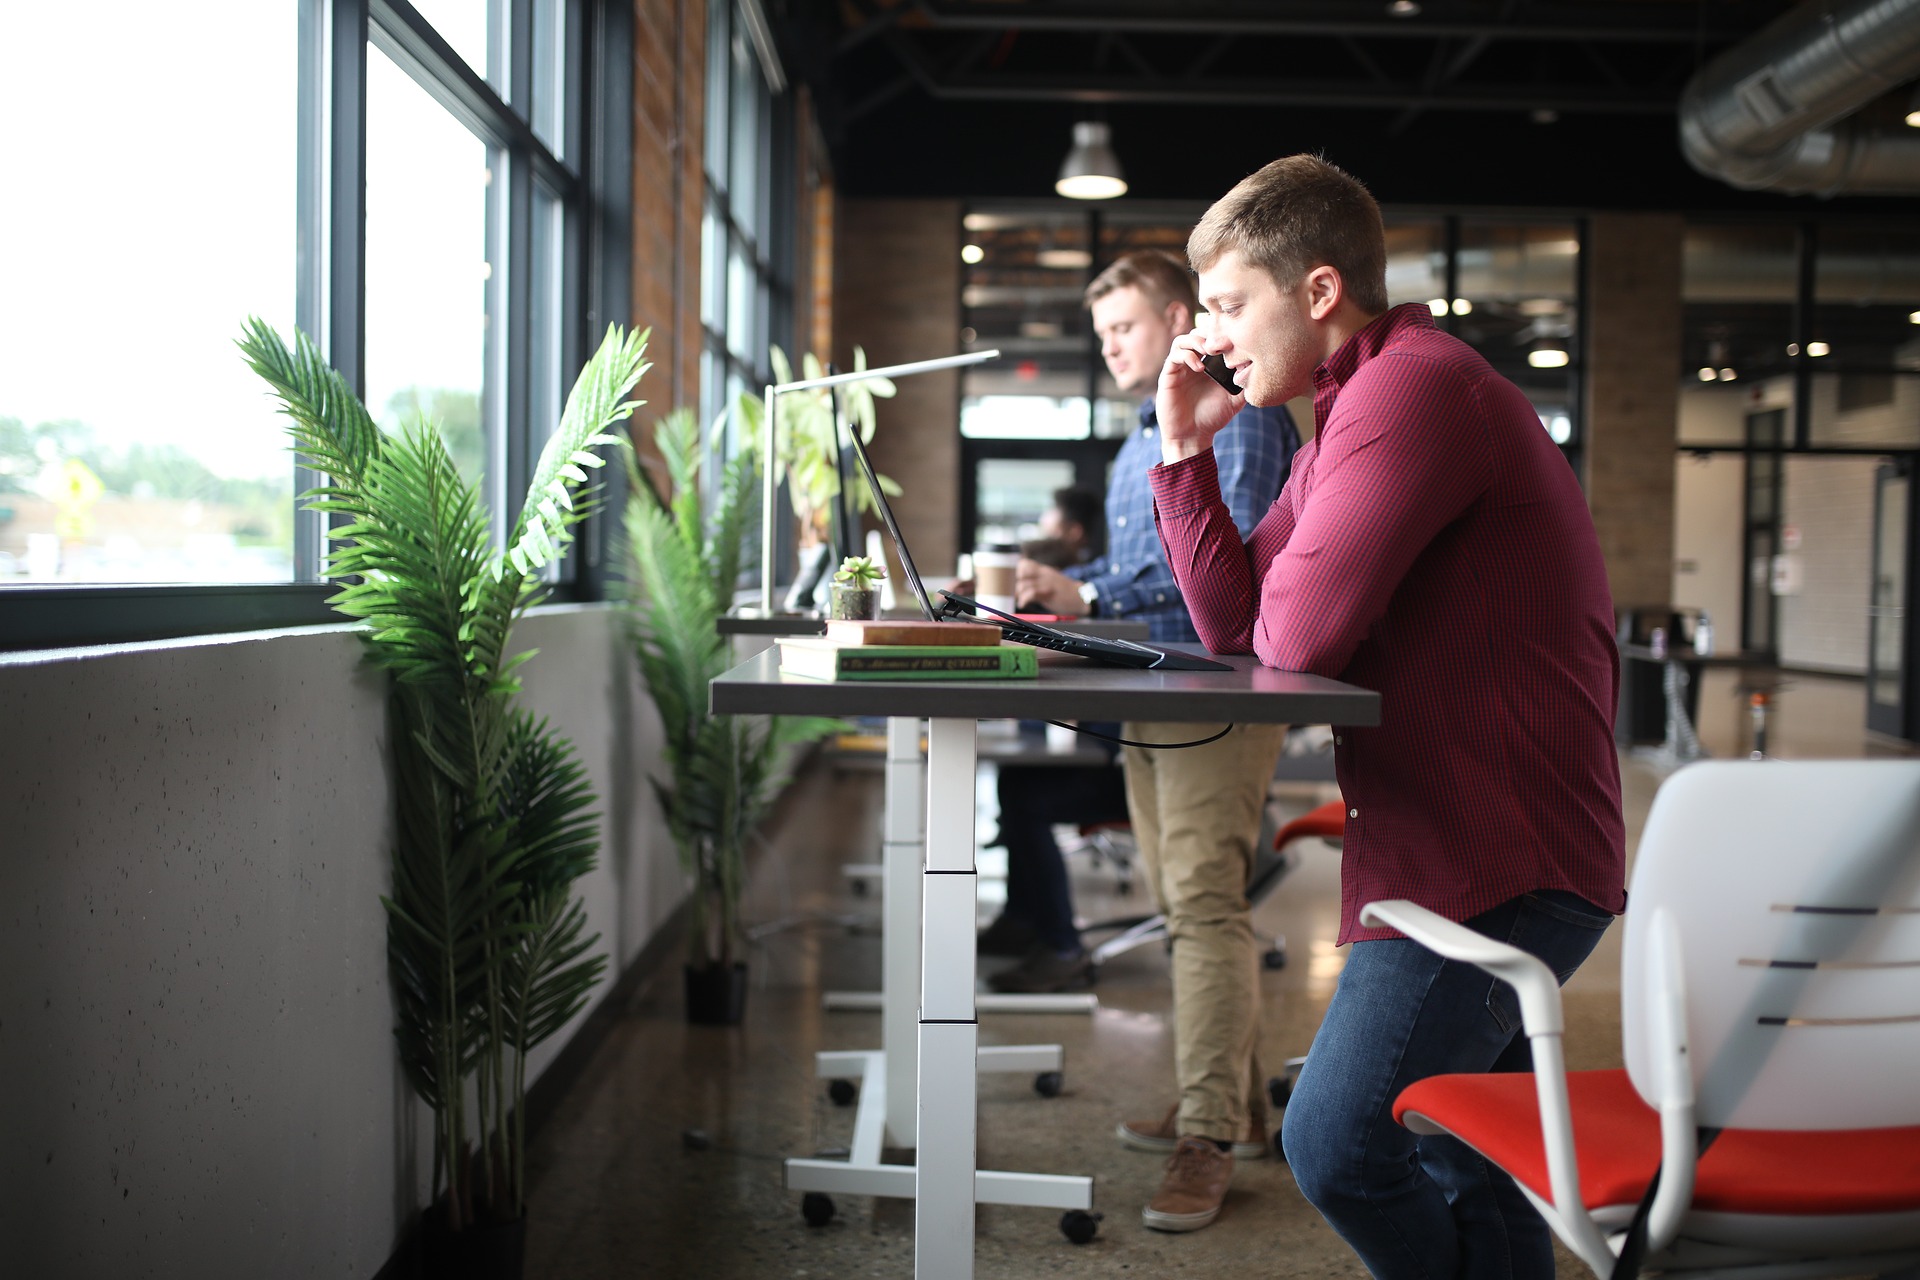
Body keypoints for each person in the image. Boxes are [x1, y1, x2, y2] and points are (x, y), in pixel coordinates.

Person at [1149, 154, 1627, 1277]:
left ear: (1317, 292)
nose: (1209, 337)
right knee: (1473, 1159)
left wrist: (1272, 597)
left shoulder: (1412, 391)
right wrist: (1185, 445)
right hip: (1460, 846)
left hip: (1496, 859)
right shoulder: (1349, 418)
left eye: (1227, 304)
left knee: (1338, 1138)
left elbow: (1294, 639)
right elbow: (1233, 625)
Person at [999, 248, 1302, 1236]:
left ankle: (1208, 1135)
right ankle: (1236, 1109)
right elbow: (1145, 564)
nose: (1110, 347)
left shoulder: (1236, 416)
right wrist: (1064, 584)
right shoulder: (1138, 443)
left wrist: (1087, 593)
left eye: (1124, 327)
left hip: (1217, 694)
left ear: (1182, 318)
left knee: (1205, 902)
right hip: (1149, 690)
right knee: (1179, 902)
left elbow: (1228, 570)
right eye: (1101, 334)